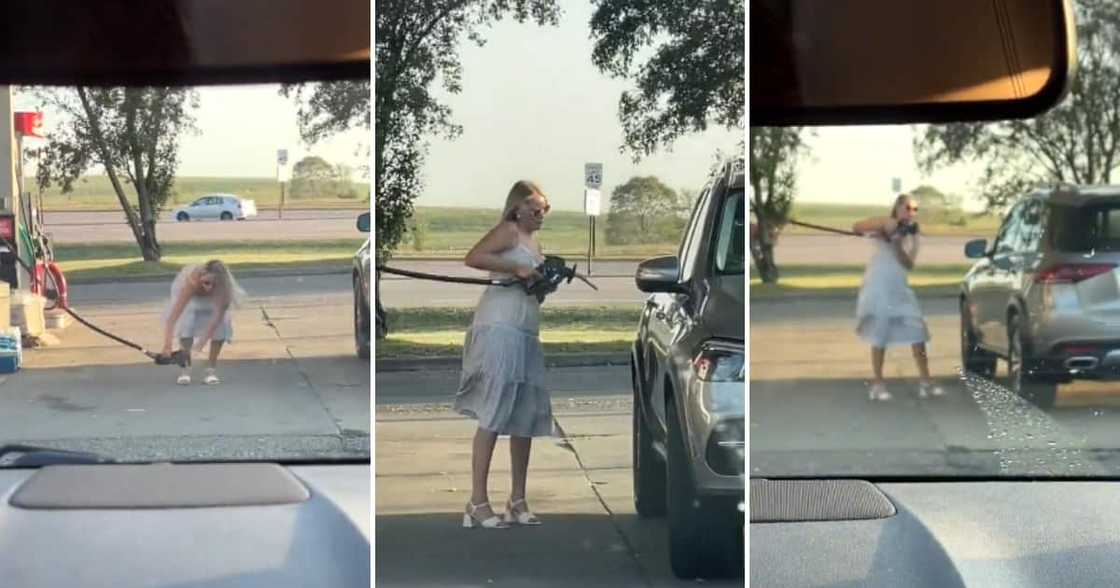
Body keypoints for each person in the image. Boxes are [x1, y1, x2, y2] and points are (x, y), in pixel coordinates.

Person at [455, 180, 552, 530]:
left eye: (544, 209)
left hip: (525, 328)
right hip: (499, 327)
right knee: (494, 412)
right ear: (517, 209)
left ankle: (518, 498)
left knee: (524, 415)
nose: (541, 215)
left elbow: (528, 280)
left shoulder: (532, 239)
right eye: (535, 209)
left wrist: (540, 282)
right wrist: (517, 269)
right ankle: (477, 502)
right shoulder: (509, 231)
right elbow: (474, 257)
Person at [852, 194, 944, 401]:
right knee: (880, 331)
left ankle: (925, 380)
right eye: (908, 208)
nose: (911, 213)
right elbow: (857, 227)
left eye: (915, 209)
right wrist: (884, 229)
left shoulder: (911, 232)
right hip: (880, 284)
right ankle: (877, 383)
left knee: (918, 331)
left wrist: (897, 244)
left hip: (899, 286)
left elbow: (908, 264)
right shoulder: (886, 222)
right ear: (898, 208)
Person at [161, 259, 244, 386]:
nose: (209, 288)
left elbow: (214, 322)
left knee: (221, 329)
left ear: (220, 283)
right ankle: (185, 368)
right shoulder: (191, 283)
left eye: (214, 284)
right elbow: (173, 318)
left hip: (215, 303)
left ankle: (210, 370)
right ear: (201, 275)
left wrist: (198, 346)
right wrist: (167, 346)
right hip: (193, 298)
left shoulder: (225, 292)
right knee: (186, 324)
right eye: (206, 283)